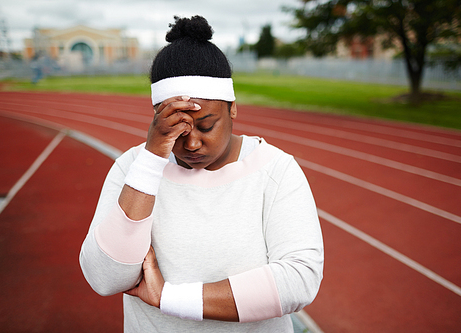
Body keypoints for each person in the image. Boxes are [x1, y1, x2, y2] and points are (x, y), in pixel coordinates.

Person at [80, 15, 323, 332]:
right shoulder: (132, 168)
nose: (192, 143)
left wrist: (169, 298)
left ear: (232, 108)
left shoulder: (275, 169)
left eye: (207, 125)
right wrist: (152, 158)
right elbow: (105, 278)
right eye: (176, 129)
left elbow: (299, 280)